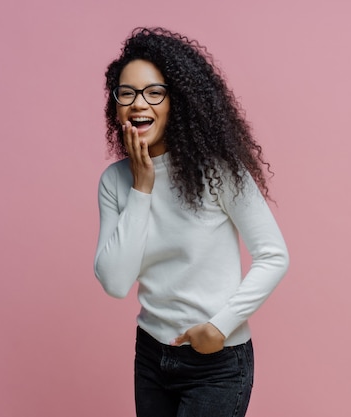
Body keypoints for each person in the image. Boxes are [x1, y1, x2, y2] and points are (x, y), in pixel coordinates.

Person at [94, 27, 289, 417]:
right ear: (115, 106)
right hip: (150, 356)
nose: (138, 104)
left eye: (154, 92)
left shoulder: (218, 172)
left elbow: (274, 255)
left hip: (216, 363)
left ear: (176, 101)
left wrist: (220, 326)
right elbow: (115, 282)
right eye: (126, 93)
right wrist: (143, 187)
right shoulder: (115, 182)